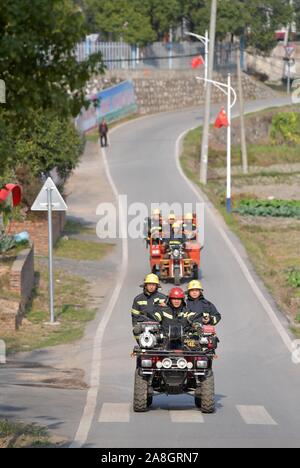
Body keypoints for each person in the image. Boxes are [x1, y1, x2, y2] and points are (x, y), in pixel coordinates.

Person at [131, 274, 167, 341]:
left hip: (159, 325)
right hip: (143, 325)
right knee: (136, 331)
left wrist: (165, 307)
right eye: (149, 284)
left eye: (153, 285)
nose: (151, 287)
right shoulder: (138, 299)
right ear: (145, 285)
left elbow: (168, 314)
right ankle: (141, 344)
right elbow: (134, 315)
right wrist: (136, 326)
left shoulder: (163, 298)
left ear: (157, 286)